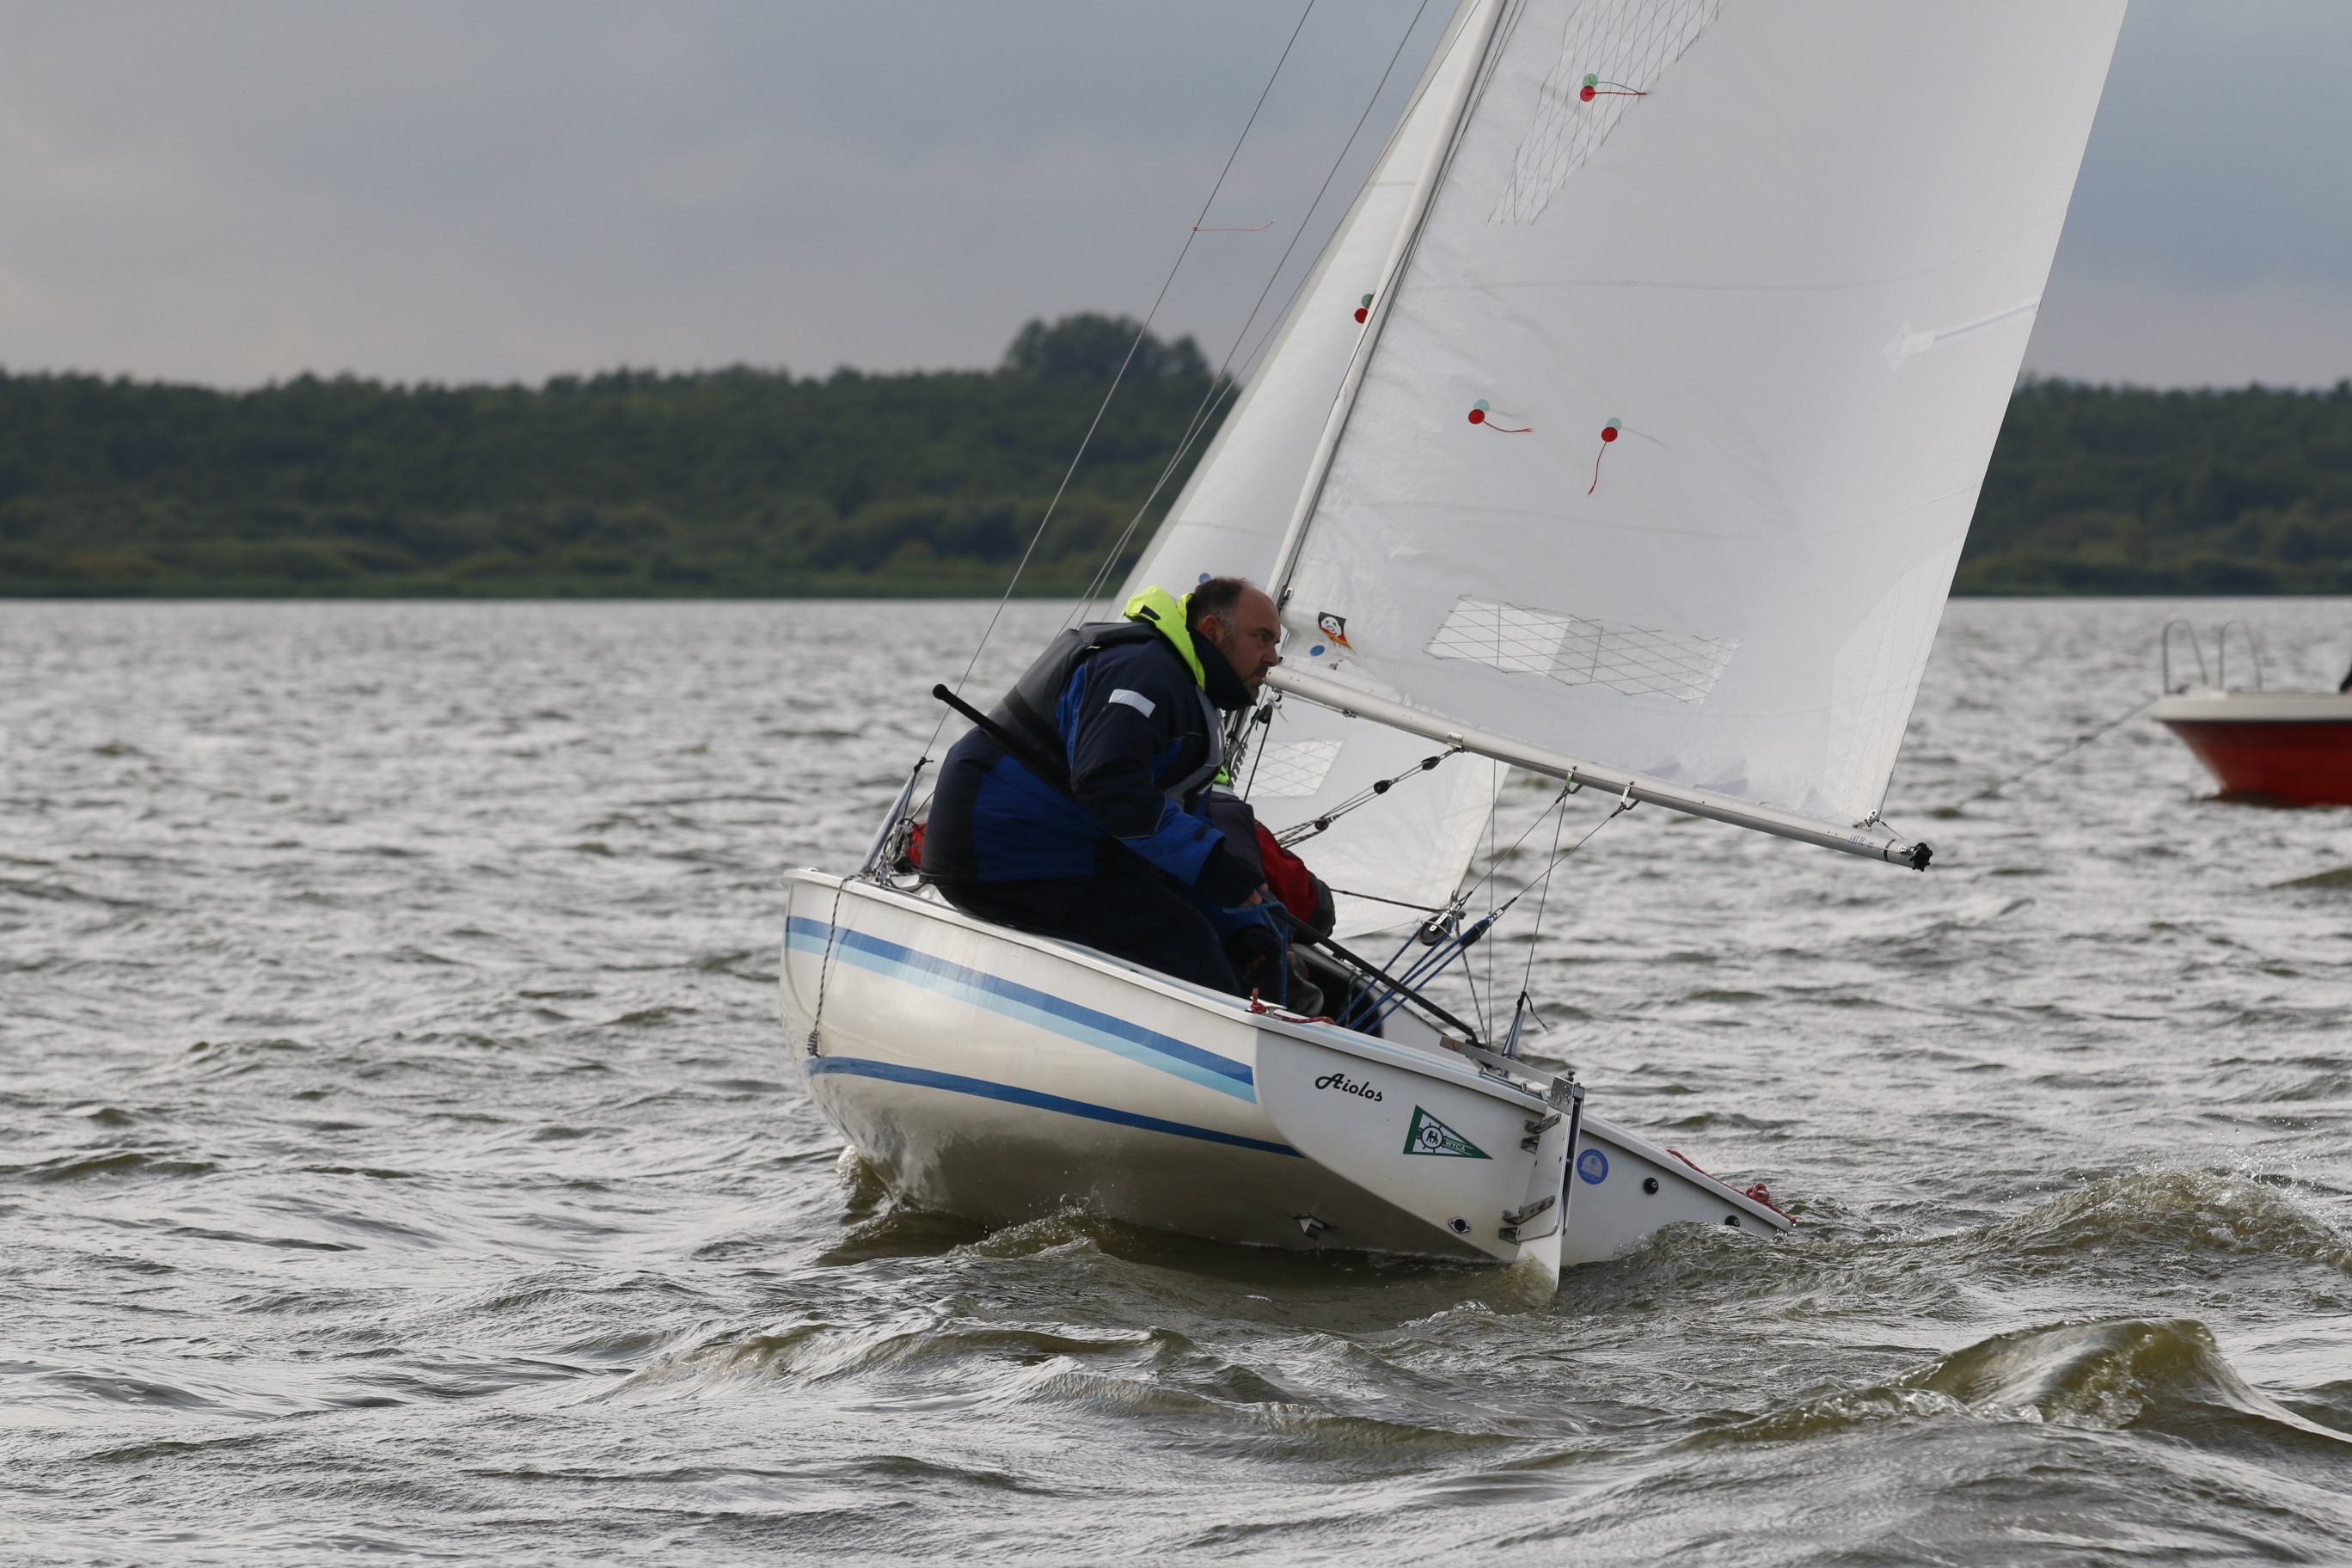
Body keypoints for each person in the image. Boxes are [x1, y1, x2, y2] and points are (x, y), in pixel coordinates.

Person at [922, 577, 1284, 995]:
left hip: (1065, 849)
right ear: (1213, 631)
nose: (1273, 658)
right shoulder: (1142, 673)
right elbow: (1108, 786)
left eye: (1276, 644)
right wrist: (1211, 867)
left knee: (1214, 935)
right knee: (1186, 941)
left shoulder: (1178, 683)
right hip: (1002, 854)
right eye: (1262, 638)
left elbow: (1173, 827)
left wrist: (1243, 930)